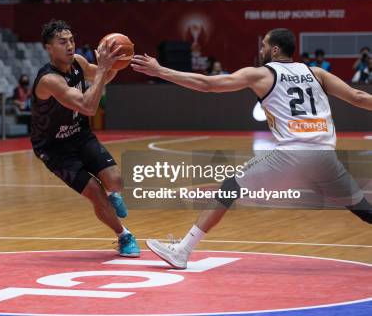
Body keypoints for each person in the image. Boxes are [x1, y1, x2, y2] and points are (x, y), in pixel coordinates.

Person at [132, 28, 372, 269]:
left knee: (229, 187)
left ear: (275, 50)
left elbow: (207, 84)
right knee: (363, 209)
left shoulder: (261, 74)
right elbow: (358, 96)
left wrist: (159, 70)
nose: (260, 51)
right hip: (325, 156)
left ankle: (182, 250)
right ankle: (182, 249)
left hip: (293, 154)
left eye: (264, 46)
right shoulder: (316, 73)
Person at [30, 20, 140, 257]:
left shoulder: (78, 62)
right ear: (49, 48)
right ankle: (124, 236)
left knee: (116, 181)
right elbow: (89, 107)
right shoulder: (49, 80)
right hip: (53, 148)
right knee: (93, 191)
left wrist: (113, 65)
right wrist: (103, 69)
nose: (70, 46)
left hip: (79, 134)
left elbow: (101, 78)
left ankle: (113, 193)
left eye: (71, 40)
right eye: (62, 42)